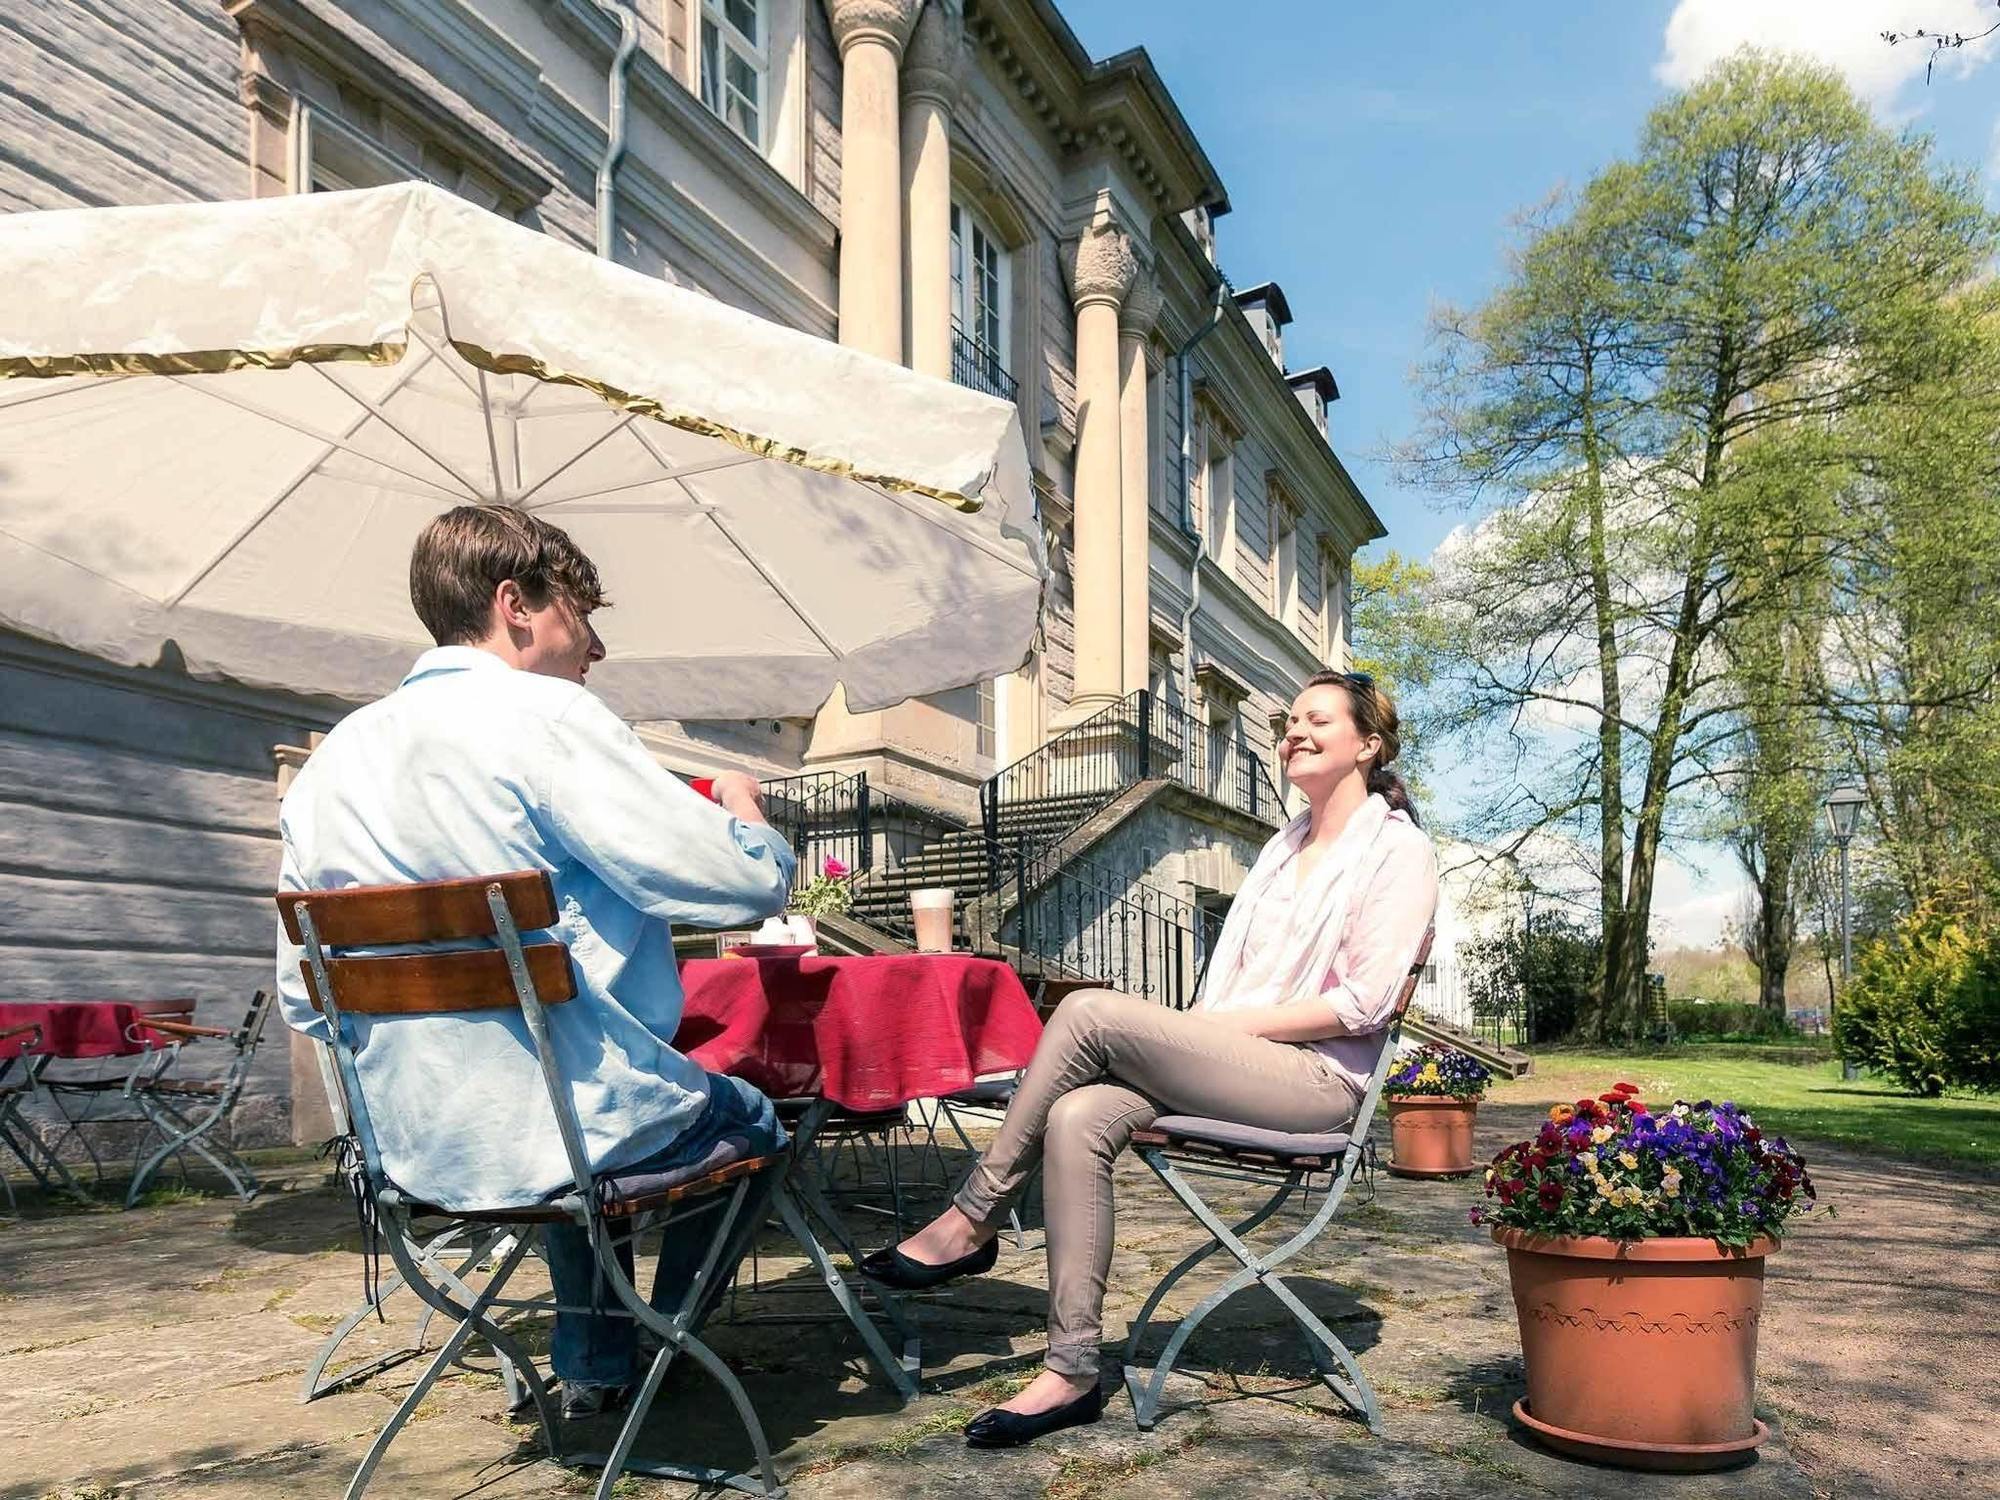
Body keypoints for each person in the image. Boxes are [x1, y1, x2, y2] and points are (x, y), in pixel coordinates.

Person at [275, 502, 796, 1417]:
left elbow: (302, 995)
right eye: (581, 617)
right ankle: (663, 1343)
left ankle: (596, 1364)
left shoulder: (335, 758)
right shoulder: (549, 715)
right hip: (558, 1133)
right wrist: (748, 813)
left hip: (412, 1151)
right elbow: (743, 886)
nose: (594, 648)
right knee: (747, 1114)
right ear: (515, 603)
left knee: (568, 1088)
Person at [862, 670, 1437, 1448]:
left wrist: (1228, 1032)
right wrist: (1214, 1035)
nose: (1294, 730)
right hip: (1239, 1059)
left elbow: (1362, 1004)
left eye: (1318, 719)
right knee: (1076, 1114)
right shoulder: (1281, 846)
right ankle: (1070, 1370)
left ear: (1368, 743)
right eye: (1289, 719)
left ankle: (974, 1216)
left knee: (1088, 1011)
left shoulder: (1398, 851)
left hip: (1316, 1080)